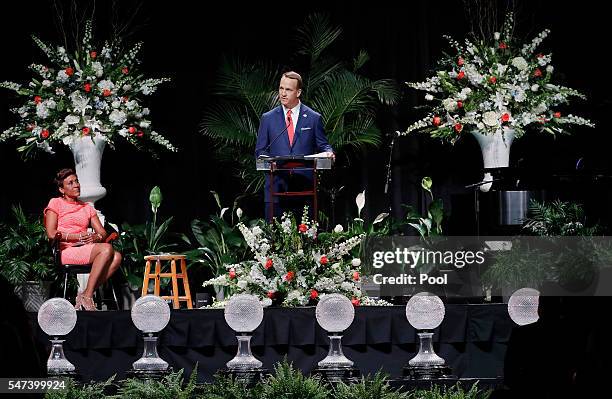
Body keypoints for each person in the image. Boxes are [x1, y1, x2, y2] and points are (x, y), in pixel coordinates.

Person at [255, 71, 334, 221]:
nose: (283, 93)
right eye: (281, 88)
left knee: (306, 242)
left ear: (298, 92)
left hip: (305, 191)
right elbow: (260, 151)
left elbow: (324, 146)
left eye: (288, 90)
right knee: (274, 240)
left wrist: (329, 153)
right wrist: (265, 159)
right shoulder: (268, 118)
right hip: (276, 190)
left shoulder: (313, 118)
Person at [44, 168, 122, 311]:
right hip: (66, 250)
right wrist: (76, 236)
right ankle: (87, 296)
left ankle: (86, 293)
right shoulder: (55, 203)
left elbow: (102, 233)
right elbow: (51, 233)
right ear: (62, 189)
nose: (76, 185)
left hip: (84, 248)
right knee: (107, 249)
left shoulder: (87, 207)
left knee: (116, 257)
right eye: (70, 183)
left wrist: (96, 236)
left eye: (77, 181)